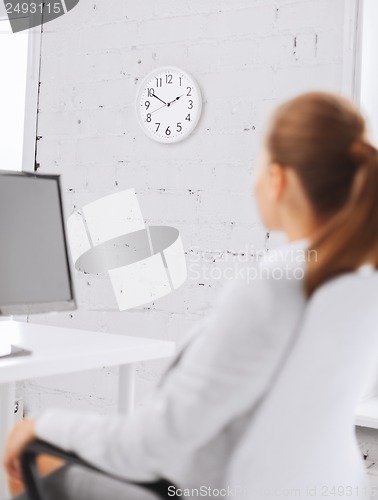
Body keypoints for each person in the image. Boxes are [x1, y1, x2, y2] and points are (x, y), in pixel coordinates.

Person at [4, 91, 378, 500]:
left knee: (36, 458)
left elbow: (145, 448)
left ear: (277, 179)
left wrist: (40, 424)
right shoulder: (356, 288)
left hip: (201, 489)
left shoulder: (271, 293)